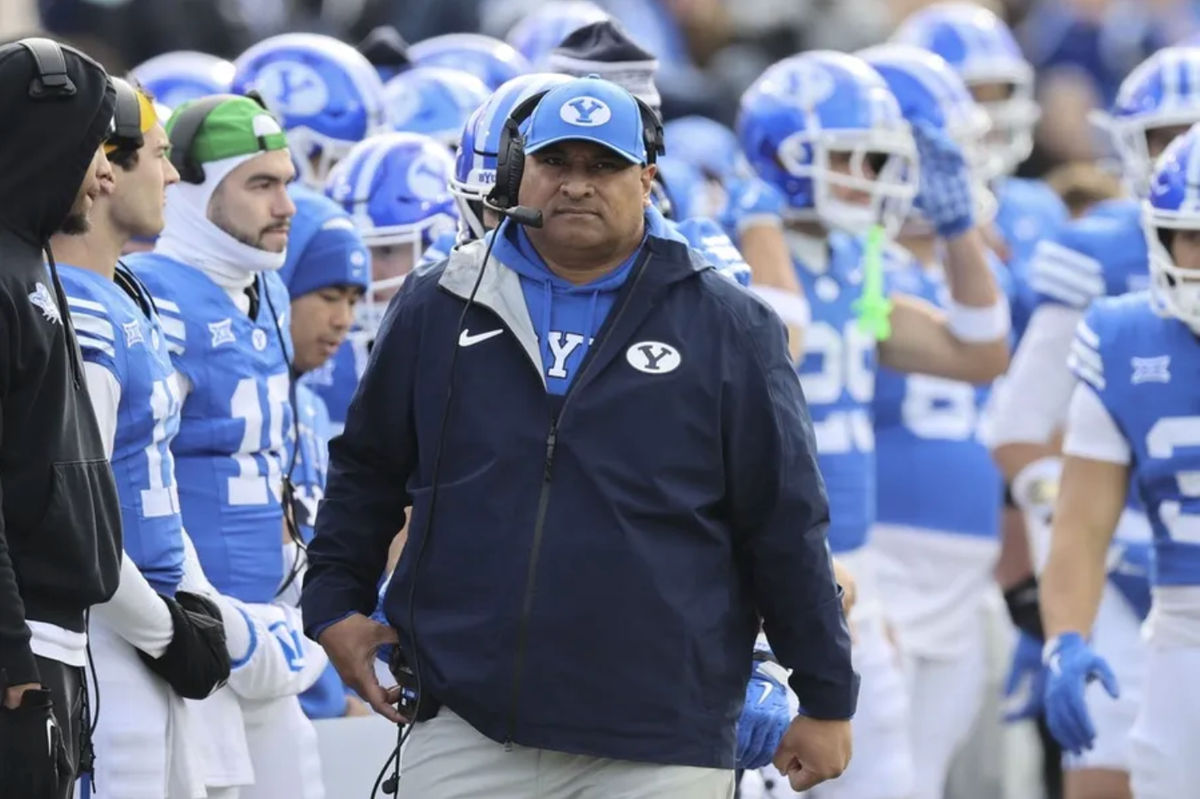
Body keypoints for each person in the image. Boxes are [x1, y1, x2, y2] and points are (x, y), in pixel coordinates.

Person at [303, 75, 856, 797]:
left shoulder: (729, 323)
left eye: (602, 166)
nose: (576, 185)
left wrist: (826, 694)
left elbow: (784, 520)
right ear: (515, 172)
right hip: (470, 722)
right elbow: (366, 469)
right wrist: (334, 603)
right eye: (556, 162)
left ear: (646, 179)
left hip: (662, 736)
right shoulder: (439, 299)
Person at [737, 50, 1010, 799]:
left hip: (860, 563)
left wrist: (958, 233)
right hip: (772, 568)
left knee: (891, 779)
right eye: (856, 157)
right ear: (784, 157)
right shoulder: (737, 252)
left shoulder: (856, 262)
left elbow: (980, 349)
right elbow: (779, 341)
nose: (874, 176)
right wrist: (755, 220)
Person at [988, 46, 1200, 799]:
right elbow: (1041, 457)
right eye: (1167, 132)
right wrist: (1067, 627)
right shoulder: (1122, 323)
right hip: (1155, 590)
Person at [124, 94, 327, 799]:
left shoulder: (258, 292)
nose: (286, 206)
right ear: (196, 186)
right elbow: (134, 472)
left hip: (269, 632)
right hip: (194, 640)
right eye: (260, 183)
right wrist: (211, 614)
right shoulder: (154, 295)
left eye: (289, 183)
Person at [53, 76, 230, 799]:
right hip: (103, 636)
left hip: (151, 623)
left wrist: (194, 596)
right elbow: (73, 509)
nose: (171, 173)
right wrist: (165, 630)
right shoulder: (73, 305)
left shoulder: (124, 290)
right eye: (156, 154)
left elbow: (146, 470)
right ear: (104, 166)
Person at [860, 44, 1009, 799]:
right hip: (873, 553)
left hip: (967, 568)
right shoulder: (848, 262)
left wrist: (960, 236)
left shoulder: (982, 262)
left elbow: (994, 364)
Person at [1039, 121, 1200, 799]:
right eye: (1195, 235)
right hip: (1185, 633)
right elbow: (1080, 524)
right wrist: (1066, 639)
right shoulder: (1126, 338)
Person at [0, 37, 123, 799]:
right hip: (24, 656)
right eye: (93, 147)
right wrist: (12, 658)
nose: (106, 173)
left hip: (58, 642)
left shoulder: (29, 260)